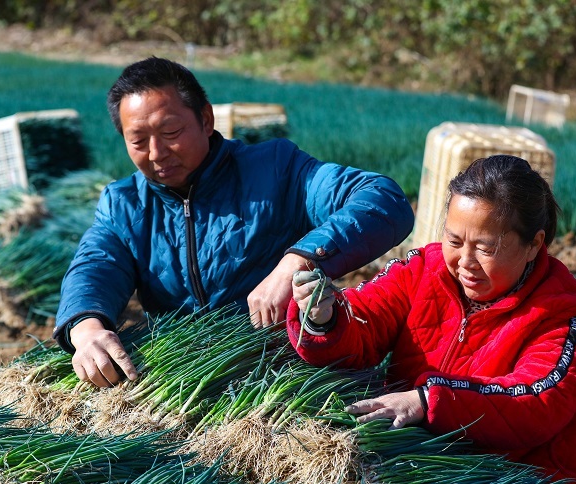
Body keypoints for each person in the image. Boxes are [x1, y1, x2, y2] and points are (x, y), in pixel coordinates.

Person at [288, 154, 576, 484]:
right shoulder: (423, 268)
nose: (465, 261)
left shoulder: (569, 312)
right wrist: (324, 318)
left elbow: (535, 402)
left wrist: (426, 401)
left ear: (535, 243)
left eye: (487, 247)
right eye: (455, 240)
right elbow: (364, 322)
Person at [54, 57, 414, 387]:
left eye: (171, 133)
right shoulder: (124, 204)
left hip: (285, 374)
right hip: (184, 379)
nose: (156, 153)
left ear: (206, 120)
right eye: (138, 141)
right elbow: (95, 266)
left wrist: (298, 260)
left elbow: (383, 199)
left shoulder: (276, 168)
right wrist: (86, 330)